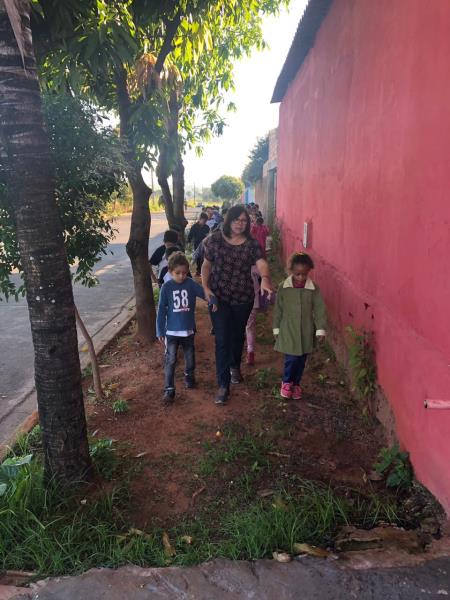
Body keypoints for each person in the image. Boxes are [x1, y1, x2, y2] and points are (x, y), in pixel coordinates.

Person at [202, 204, 273, 405]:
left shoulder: (251, 244)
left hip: (243, 298)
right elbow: (206, 265)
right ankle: (223, 385)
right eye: (236, 219)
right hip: (219, 298)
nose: (240, 224)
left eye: (244, 220)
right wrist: (205, 287)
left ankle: (235, 365)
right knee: (222, 338)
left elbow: (261, 262)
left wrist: (265, 278)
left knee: (238, 335)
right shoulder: (215, 240)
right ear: (228, 220)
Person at [157, 252, 216, 404]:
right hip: (171, 332)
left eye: (184, 272)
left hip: (188, 331)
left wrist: (213, 300)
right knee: (171, 360)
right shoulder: (166, 287)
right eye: (178, 273)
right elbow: (161, 310)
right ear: (170, 271)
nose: (181, 276)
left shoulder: (190, 284)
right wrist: (160, 330)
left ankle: (189, 377)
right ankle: (169, 389)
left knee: (190, 359)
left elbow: (204, 293)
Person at [273, 252, 327, 400]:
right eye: (297, 274)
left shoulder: (313, 289)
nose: (301, 277)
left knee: (301, 360)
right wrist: (276, 329)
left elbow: (319, 309)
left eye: (304, 274)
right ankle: (286, 382)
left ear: (309, 271)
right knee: (291, 359)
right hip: (288, 329)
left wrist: (320, 330)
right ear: (291, 271)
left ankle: (296, 383)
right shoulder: (283, 288)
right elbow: (278, 309)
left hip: (306, 330)